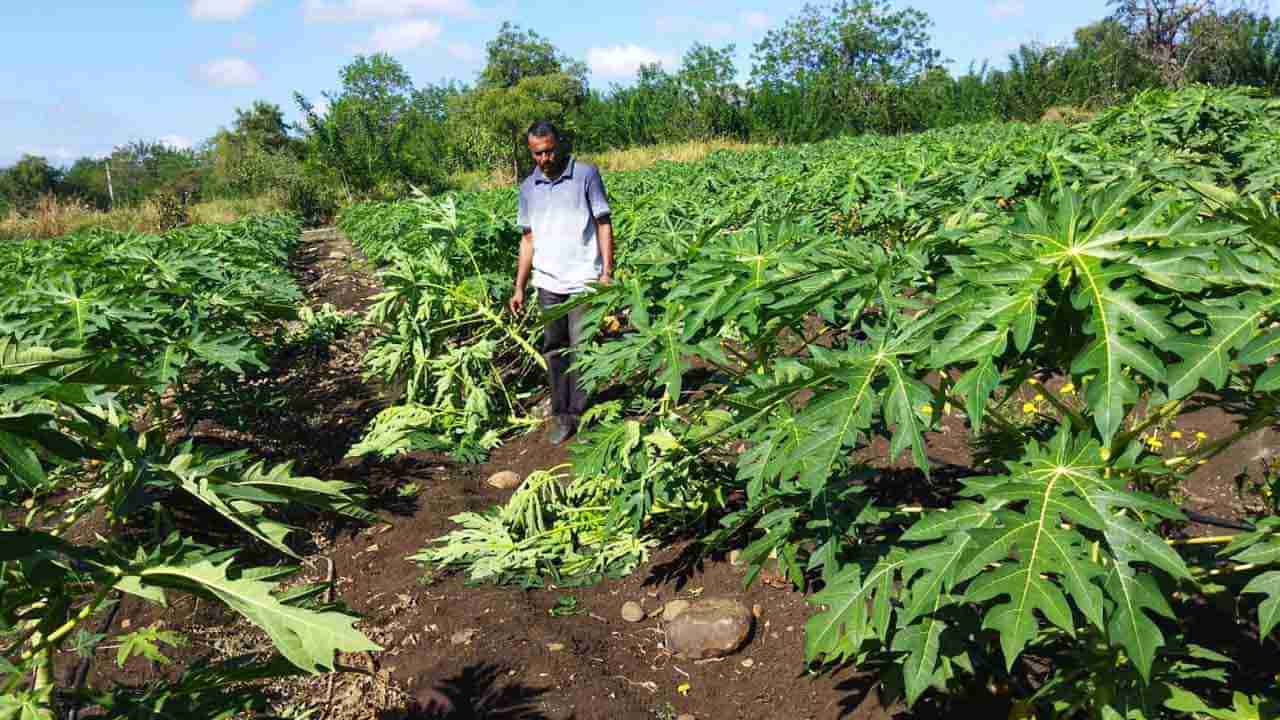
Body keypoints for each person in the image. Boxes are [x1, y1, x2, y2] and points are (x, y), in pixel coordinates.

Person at [508, 121, 615, 445]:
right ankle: (561, 415)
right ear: (531, 152)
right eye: (538, 153)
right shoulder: (528, 188)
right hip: (548, 283)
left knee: (582, 350)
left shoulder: (585, 175)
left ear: (560, 144)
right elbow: (528, 240)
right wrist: (519, 286)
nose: (545, 158)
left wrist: (606, 272)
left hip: (583, 279)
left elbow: (603, 223)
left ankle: (582, 416)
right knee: (554, 351)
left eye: (550, 150)